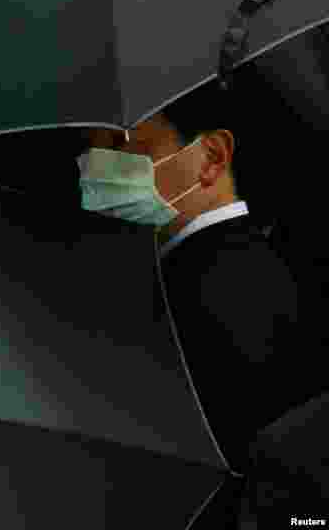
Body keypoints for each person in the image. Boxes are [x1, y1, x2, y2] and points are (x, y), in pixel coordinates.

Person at [76, 82, 326, 487]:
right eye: (93, 155)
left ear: (211, 158)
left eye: (125, 147)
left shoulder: (205, 289)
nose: (101, 172)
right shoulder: (264, 260)